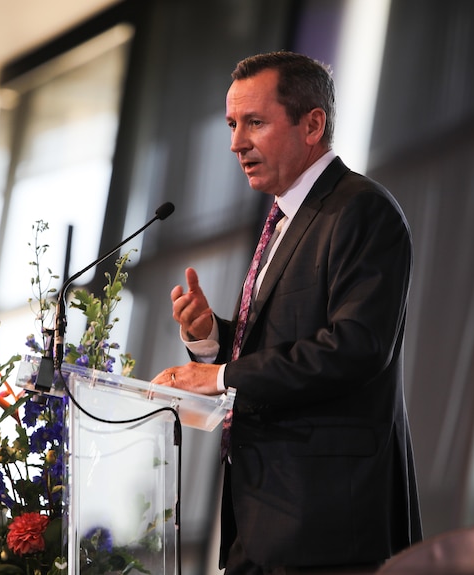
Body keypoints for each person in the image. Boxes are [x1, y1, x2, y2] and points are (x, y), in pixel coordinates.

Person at [151, 51, 422, 573]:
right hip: (263, 515)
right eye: (232, 124)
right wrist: (212, 338)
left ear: (312, 124)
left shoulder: (360, 209)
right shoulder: (284, 218)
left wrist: (221, 374)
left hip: (327, 523)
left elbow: (356, 347)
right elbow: (281, 348)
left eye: (255, 123)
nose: (235, 143)